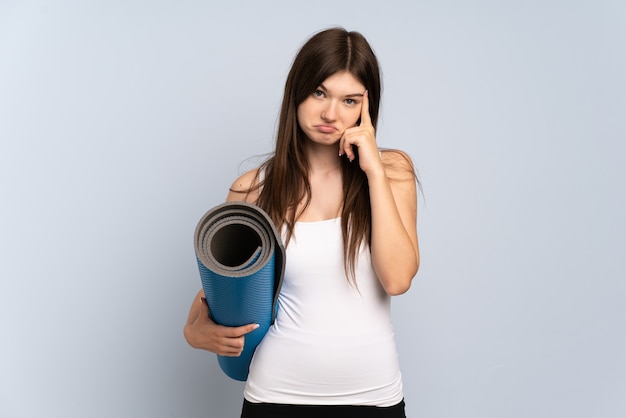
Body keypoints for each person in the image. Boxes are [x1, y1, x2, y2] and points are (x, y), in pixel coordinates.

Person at [184, 27, 420, 418]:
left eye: (349, 100)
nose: (331, 113)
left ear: (367, 107)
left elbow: (397, 279)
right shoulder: (254, 190)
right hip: (275, 397)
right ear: (297, 91)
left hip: (375, 398)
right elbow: (216, 294)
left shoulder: (392, 171)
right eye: (319, 93)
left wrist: (373, 170)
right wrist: (194, 333)